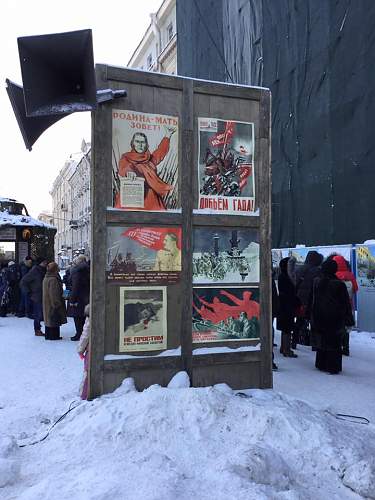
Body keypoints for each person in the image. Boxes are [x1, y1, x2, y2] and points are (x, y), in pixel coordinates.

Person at [115, 127, 176, 210]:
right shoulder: (126, 157)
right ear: (133, 143)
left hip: (151, 201)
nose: (140, 145)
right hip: (132, 199)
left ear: (146, 145)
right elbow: (124, 166)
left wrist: (168, 135)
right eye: (137, 141)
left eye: (143, 142)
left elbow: (160, 152)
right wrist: (129, 172)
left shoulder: (150, 159)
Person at [311, 259, 354, 375]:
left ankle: (321, 363)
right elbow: (345, 304)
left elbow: (313, 300)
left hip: (319, 315)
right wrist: (349, 320)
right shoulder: (339, 284)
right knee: (334, 343)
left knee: (322, 341)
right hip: (334, 317)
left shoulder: (317, 281)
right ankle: (332, 366)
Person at [295, 251, 323, 348]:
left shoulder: (300, 269)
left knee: (299, 319)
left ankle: (295, 340)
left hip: (300, 298)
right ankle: (314, 343)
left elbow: (295, 282)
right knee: (313, 320)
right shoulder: (318, 270)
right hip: (313, 298)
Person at [332, 255, 358, 356]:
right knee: (347, 327)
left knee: (337, 326)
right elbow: (355, 289)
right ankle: (346, 347)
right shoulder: (350, 275)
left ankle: (338, 345)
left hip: (336, 305)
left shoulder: (334, 274)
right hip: (349, 304)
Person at [277, 257, 300, 358]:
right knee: (287, 328)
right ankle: (287, 349)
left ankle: (284, 347)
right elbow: (290, 292)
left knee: (285, 328)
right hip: (287, 306)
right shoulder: (287, 277)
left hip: (283, 305)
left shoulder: (282, 276)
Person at [20, 257, 48, 336]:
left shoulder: (44, 270)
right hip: (37, 295)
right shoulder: (35, 271)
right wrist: (29, 292)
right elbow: (23, 282)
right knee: (38, 314)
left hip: (44, 295)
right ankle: (37, 329)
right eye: (44, 262)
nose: (45, 263)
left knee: (43, 313)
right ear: (40, 263)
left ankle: (44, 329)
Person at [67, 255, 90, 341]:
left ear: (79, 261)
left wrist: (72, 299)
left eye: (76, 260)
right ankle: (83, 333)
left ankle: (79, 334)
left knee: (77, 317)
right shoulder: (87, 269)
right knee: (83, 317)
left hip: (78, 297)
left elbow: (75, 286)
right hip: (85, 296)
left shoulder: (77, 271)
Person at [42, 262, 67, 340]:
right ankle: (54, 336)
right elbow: (54, 293)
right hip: (52, 303)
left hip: (47, 302)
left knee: (49, 319)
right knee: (54, 318)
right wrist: (56, 303)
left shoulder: (46, 277)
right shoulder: (53, 279)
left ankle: (48, 335)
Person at [77, 304, 90, 400]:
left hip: (92, 348)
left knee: (88, 370)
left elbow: (85, 335)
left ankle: (84, 394)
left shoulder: (90, 319)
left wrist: (80, 350)